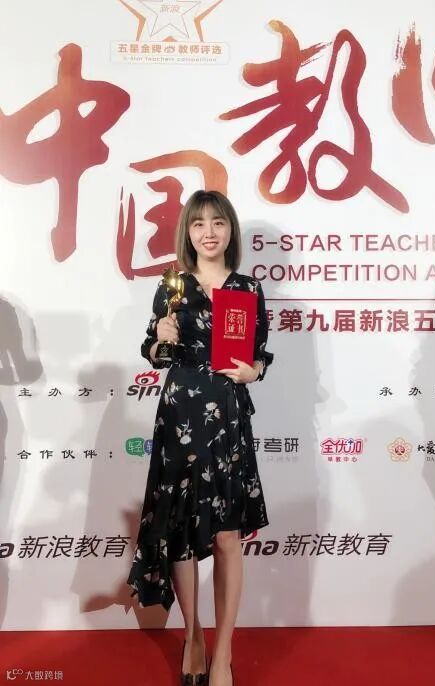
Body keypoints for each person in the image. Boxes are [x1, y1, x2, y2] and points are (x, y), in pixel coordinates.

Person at [127, 190, 274, 686]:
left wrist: (254, 371)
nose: (208, 232)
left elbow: (259, 354)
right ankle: (192, 636)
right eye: (198, 224)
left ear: (230, 230)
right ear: (187, 232)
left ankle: (223, 650)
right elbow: (154, 353)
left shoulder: (247, 289)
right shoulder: (173, 286)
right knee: (182, 534)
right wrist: (160, 340)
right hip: (181, 416)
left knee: (228, 535)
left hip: (228, 417)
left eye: (217, 222)